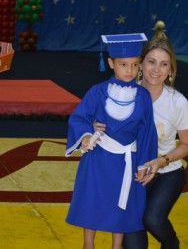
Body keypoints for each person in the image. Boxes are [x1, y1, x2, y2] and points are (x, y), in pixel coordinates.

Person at [94, 21, 188, 249]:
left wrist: (161, 160)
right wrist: (95, 127)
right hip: (131, 176)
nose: (156, 70)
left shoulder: (178, 102)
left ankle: (172, 244)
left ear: (171, 69)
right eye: (151, 62)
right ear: (140, 63)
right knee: (134, 245)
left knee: (153, 219)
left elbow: (186, 144)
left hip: (167, 173)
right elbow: (96, 122)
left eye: (164, 64)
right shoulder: (120, 93)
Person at [65, 33, 158, 249]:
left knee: (121, 205)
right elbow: (80, 117)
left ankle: (117, 246)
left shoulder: (143, 96)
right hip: (98, 159)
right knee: (93, 200)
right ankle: (88, 244)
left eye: (135, 65)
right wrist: (87, 135)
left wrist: (144, 163)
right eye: (123, 64)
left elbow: (147, 132)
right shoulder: (97, 92)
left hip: (128, 161)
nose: (130, 70)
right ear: (111, 63)